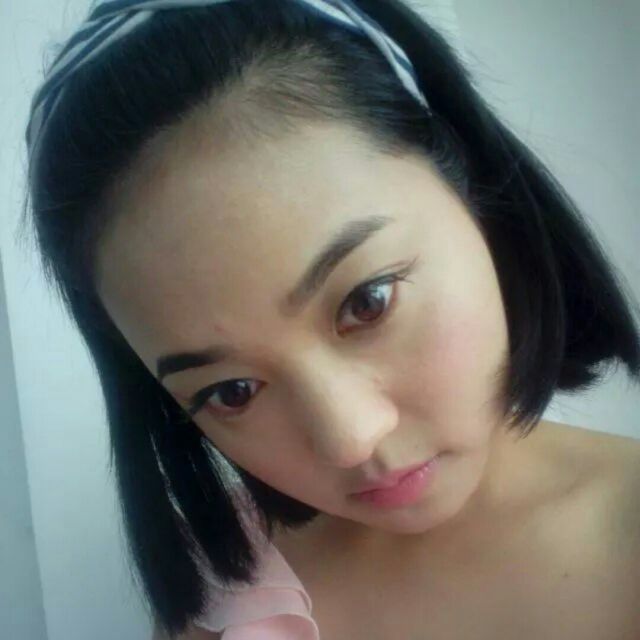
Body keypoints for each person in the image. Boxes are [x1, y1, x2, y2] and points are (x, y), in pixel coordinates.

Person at [22, 0, 640, 638]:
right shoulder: (224, 592)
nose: (352, 440)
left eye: (368, 302)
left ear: (475, 197)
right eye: (232, 391)